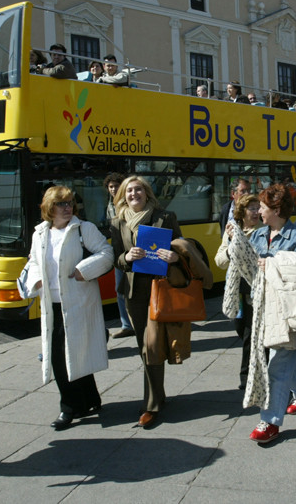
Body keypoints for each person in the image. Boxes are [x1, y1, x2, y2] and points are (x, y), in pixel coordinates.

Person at [24, 186, 113, 430]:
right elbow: (32, 261)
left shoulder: (84, 228)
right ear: (48, 208)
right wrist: (35, 280)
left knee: (72, 355)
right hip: (51, 303)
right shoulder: (40, 233)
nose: (67, 208)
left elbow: (106, 252)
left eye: (70, 203)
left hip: (77, 301)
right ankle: (88, 401)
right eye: (61, 204)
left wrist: (84, 270)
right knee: (60, 356)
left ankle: (69, 409)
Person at [109, 176, 182, 427]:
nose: (133, 194)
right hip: (134, 293)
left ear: (147, 192)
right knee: (145, 346)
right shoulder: (117, 222)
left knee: (151, 346)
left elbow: (182, 248)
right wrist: (127, 257)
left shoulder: (165, 217)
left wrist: (174, 256)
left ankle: (150, 406)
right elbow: (116, 258)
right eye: (128, 190)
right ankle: (157, 395)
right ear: (123, 195)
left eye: (138, 189)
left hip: (159, 289)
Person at [247, 183, 296, 444]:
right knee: (285, 359)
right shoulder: (257, 235)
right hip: (263, 309)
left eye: (262, 207)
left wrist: (273, 265)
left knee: (278, 365)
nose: (258, 212)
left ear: (276, 209)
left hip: (287, 312)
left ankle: (270, 421)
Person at [214, 194, 262, 389]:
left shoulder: (264, 231)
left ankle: (246, 377)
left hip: (255, 290)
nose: (257, 212)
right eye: (252, 208)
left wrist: (241, 242)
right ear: (242, 213)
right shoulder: (232, 232)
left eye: (259, 207)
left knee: (251, 336)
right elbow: (220, 261)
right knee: (241, 330)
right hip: (237, 292)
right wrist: (232, 245)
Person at [104, 172, 135, 338]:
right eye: (111, 187)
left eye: (116, 186)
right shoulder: (110, 204)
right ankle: (126, 324)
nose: (114, 189)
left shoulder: (129, 203)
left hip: (132, 251)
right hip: (119, 253)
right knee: (120, 289)